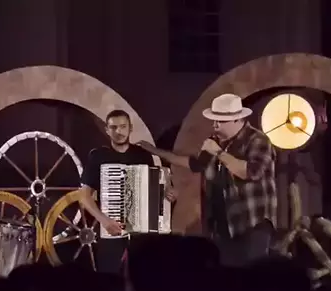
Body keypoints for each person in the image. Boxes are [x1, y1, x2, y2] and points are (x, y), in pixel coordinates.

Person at [137, 93, 277, 267]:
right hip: (222, 224)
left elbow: (250, 172)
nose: (215, 125)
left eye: (220, 121)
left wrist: (218, 152)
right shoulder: (216, 141)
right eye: (214, 120)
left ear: (237, 120)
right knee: (226, 274)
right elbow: (195, 164)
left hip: (250, 222)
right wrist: (155, 151)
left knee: (251, 273)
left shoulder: (257, 140)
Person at [79, 109, 177, 274]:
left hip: (141, 235)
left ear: (130, 128)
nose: (118, 131)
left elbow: (154, 186)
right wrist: (104, 220)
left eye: (123, 126)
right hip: (111, 230)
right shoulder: (98, 156)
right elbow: (83, 196)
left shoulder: (143, 155)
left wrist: (167, 192)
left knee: (142, 277)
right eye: (113, 127)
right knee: (109, 279)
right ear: (107, 130)